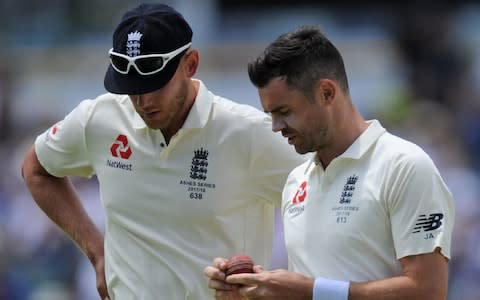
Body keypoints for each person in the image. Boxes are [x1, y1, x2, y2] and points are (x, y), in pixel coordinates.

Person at [20, 3, 305, 300]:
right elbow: (36, 169)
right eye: (131, 87)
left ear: (191, 64)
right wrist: (96, 251)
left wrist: (288, 286)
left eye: (155, 85)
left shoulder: (248, 133)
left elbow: (322, 196)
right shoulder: (98, 120)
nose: (143, 101)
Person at [204, 25, 455, 300]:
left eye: (284, 112)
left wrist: (309, 291)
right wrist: (256, 290)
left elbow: (428, 291)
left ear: (326, 93)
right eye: (270, 114)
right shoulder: (296, 181)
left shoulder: (405, 166)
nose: (275, 127)